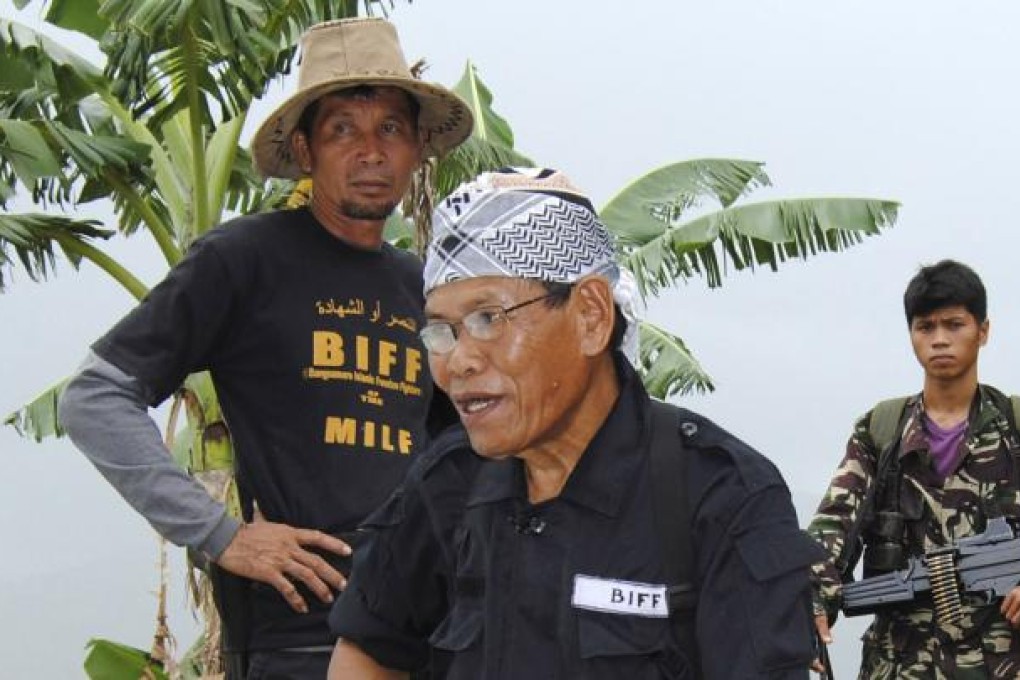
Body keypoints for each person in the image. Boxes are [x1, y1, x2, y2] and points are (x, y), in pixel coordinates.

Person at [58, 17, 472, 679]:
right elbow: (94, 398)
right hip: (301, 643)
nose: (371, 151)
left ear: (419, 148)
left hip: (432, 639)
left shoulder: (426, 286)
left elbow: (467, 450)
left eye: (391, 128)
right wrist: (221, 535)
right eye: (343, 129)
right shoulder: (245, 259)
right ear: (305, 150)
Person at [325, 167, 821, 679]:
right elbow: (369, 648)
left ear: (590, 316)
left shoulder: (720, 497)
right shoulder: (445, 485)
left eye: (487, 319)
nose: (459, 360)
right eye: (441, 331)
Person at [808, 259, 1020, 678]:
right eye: (925, 327)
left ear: (984, 331)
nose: (940, 339)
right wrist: (811, 601)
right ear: (911, 336)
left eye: (954, 324)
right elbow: (832, 527)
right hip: (900, 663)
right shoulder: (881, 431)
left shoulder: (1014, 425)